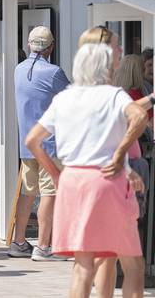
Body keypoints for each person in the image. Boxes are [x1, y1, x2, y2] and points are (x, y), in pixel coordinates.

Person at [26, 42, 148, 298]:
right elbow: (139, 116)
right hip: (106, 178)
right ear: (104, 68)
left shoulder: (64, 98)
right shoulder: (113, 95)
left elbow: (32, 140)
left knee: (83, 265)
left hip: (72, 179)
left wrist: (57, 175)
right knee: (133, 264)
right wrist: (120, 152)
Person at [8, 26, 70, 260]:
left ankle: (19, 241)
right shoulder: (54, 72)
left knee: (27, 192)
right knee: (49, 193)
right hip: (50, 144)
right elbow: (72, 99)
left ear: (28, 45)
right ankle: (43, 246)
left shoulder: (18, 70)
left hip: (26, 143)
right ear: (51, 47)